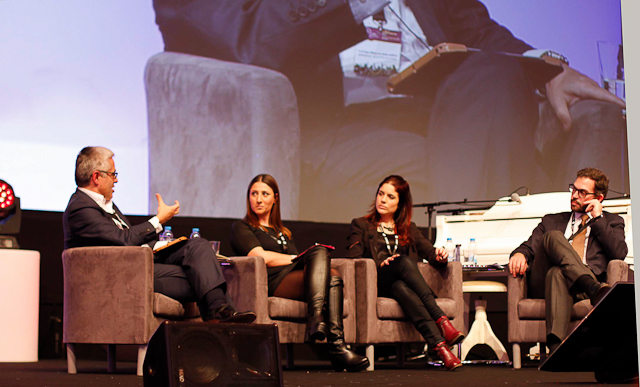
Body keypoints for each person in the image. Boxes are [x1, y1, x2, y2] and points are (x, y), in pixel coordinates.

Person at [152, 0, 627, 223]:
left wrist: (548, 68)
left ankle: (486, 265)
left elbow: (476, 28)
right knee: (480, 154)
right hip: (340, 131)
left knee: (497, 74)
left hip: (445, 111)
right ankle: (478, 281)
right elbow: (249, 40)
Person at [63, 146, 256, 323]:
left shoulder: (104, 203)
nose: (116, 180)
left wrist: (163, 245)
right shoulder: (80, 208)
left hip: (141, 264)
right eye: (113, 174)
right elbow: (124, 240)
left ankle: (220, 313)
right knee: (203, 274)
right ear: (96, 177)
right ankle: (223, 319)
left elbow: (129, 240)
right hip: (124, 277)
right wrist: (159, 220)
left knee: (199, 247)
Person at [230, 174, 370, 372]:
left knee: (332, 273)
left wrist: (306, 257)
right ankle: (334, 343)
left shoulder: (283, 232)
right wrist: (301, 257)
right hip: (268, 282)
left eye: (264, 194)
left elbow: (298, 264)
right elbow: (260, 257)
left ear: (275, 198)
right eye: (254, 194)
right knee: (320, 256)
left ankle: (330, 336)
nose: (258, 199)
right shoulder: (242, 227)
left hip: (289, 277)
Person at [347, 175, 464, 370]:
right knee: (403, 261)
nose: (383, 200)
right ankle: (441, 320)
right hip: (376, 283)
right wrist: (379, 263)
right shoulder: (361, 225)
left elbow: (429, 252)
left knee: (401, 286)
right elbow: (354, 260)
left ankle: (442, 348)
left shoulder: (409, 229)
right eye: (380, 194)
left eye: (390, 197)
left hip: (398, 287)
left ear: (400, 203)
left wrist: (440, 255)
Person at [508, 167, 628, 353]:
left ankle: (556, 347)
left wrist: (597, 218)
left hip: (579, 287)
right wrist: (519, 254)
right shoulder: (551, 221)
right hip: (548, 286)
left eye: (582, 192)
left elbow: (618, 253)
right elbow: (528, 246)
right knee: (553, 237)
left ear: (599, 198)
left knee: (557, 273)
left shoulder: (611, 222)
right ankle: (593, 288)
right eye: (573, 189)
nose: (574, 196)